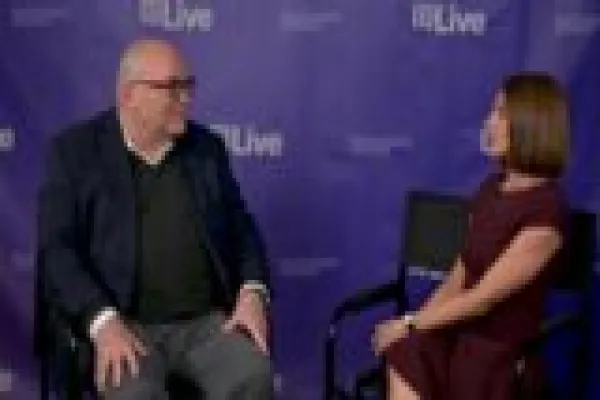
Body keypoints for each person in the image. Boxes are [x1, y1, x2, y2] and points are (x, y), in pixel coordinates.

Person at [36, 38, 273, 399]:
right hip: (124, 325)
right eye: (171, 87)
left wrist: (252, 292)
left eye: (188, 86)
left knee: (251, 375)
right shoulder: (76, 153)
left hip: (205, 325)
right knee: (136, 394)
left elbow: (242, 228)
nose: (185, 98)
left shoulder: (206, 149)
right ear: (129, 95)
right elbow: (57, 252)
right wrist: (102, 322)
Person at [372, 71, 570, 400]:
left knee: (454, 359)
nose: (490, 122)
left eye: (501, 113)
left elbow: (482, 299)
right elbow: (461, 272)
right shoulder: (490, 190)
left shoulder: (547, 211)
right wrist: (415, 323)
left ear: (530, 124)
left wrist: (410, 324)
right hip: (461, 327)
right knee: (407, 350)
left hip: (501, 348)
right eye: (492, 112)